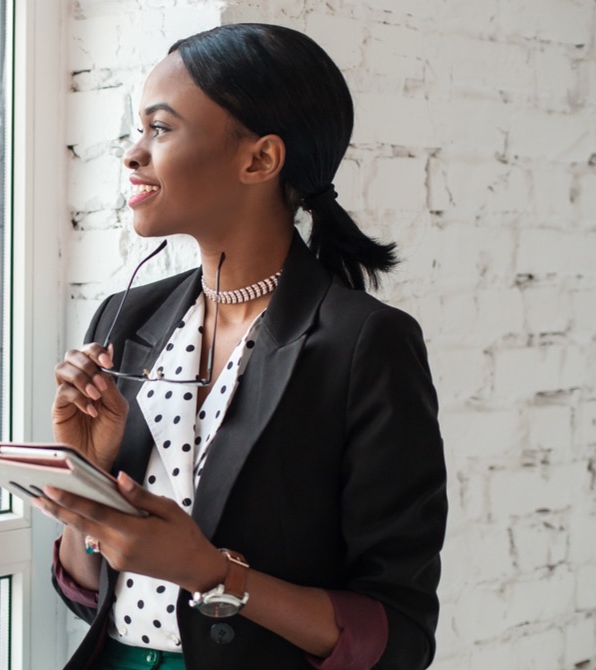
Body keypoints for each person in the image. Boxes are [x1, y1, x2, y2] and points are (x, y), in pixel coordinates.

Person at [34, 23, 447, 670]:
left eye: (161, 129)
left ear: (259, 160)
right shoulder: (124, 319)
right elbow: (93, 595)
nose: (132, 155)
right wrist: (84, 490)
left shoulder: (365, 344)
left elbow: (397, 633)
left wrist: (211, 573)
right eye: (137, 130)